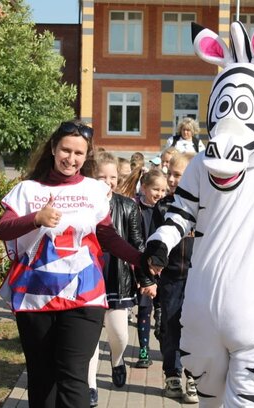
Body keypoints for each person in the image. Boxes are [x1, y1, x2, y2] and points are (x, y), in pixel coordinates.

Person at [144, 14, 254, 408]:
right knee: (209, 396)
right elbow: (181, 212)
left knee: (245, 399)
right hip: (203, 307)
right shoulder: (200, 164)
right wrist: (160, 242)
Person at [0, 120, 156, 408]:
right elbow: (3, 229)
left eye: (78, 153)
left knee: (73, 377)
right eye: (65, 150)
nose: (71, 158)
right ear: (53, 149)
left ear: (86, 156)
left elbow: (108, 237)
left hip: (85, 295)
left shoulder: (94, 190)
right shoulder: (27, 189)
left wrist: (141, 261)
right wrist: (35, 218)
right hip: (36, 297)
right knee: (42, 378)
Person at [87, 151, 145, 405]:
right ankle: (90, 386)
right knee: (88, 337)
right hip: (88, 276)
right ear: (92, 178)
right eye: (102, 177)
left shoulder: (128, 206)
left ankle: (117, 359)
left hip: (117, 276)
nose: (108, 182)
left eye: (112, 177)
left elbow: (137, 244)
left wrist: (146, 277)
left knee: (119, 334)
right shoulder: (83, 203)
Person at [150, 153, 198, 403]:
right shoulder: (162, 207)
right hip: (170, 279)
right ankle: (172, 375)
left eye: (177, 175)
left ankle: (193, 377)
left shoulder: (202, 206)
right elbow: (153, 240)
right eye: (169, 173)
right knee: (170, 327)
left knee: (195, 327)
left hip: (196, 277)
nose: (170, 179)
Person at [121, 168, 167, 368]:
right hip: (143, 267)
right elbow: (133, 241)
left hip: (163, 268)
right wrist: (139, 270)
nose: (160, 194)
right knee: (144, 309)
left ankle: (163, 337)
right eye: (156, 189)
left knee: (163, 309)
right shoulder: (136, 209)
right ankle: (144, 351)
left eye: (163, 190)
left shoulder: (166, 209)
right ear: (144, 188)